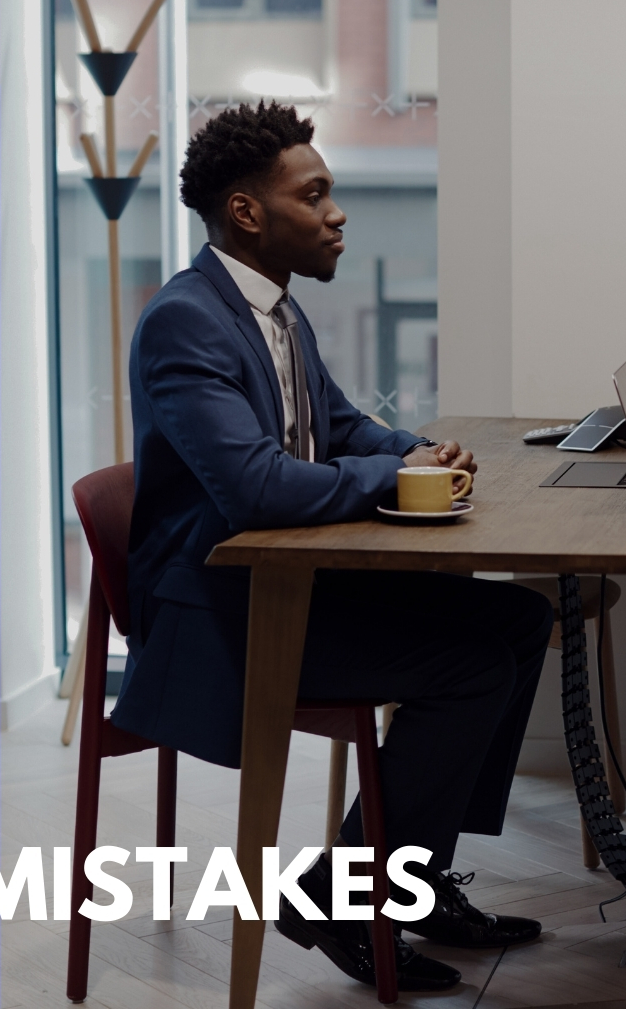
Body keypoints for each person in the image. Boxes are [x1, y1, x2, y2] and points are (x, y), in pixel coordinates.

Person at [116, 102, 554, 992]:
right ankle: (343, 894)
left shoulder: (274, 311)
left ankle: (411, 882)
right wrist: (396, 482)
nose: (336, 212)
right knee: (470, 666)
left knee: (518, 617)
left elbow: (339, 424)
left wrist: (415, 453)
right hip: (224, 616)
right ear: (248, 212)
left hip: (290, 589)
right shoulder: (186, 321)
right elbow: (255, 484)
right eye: (314, 195)